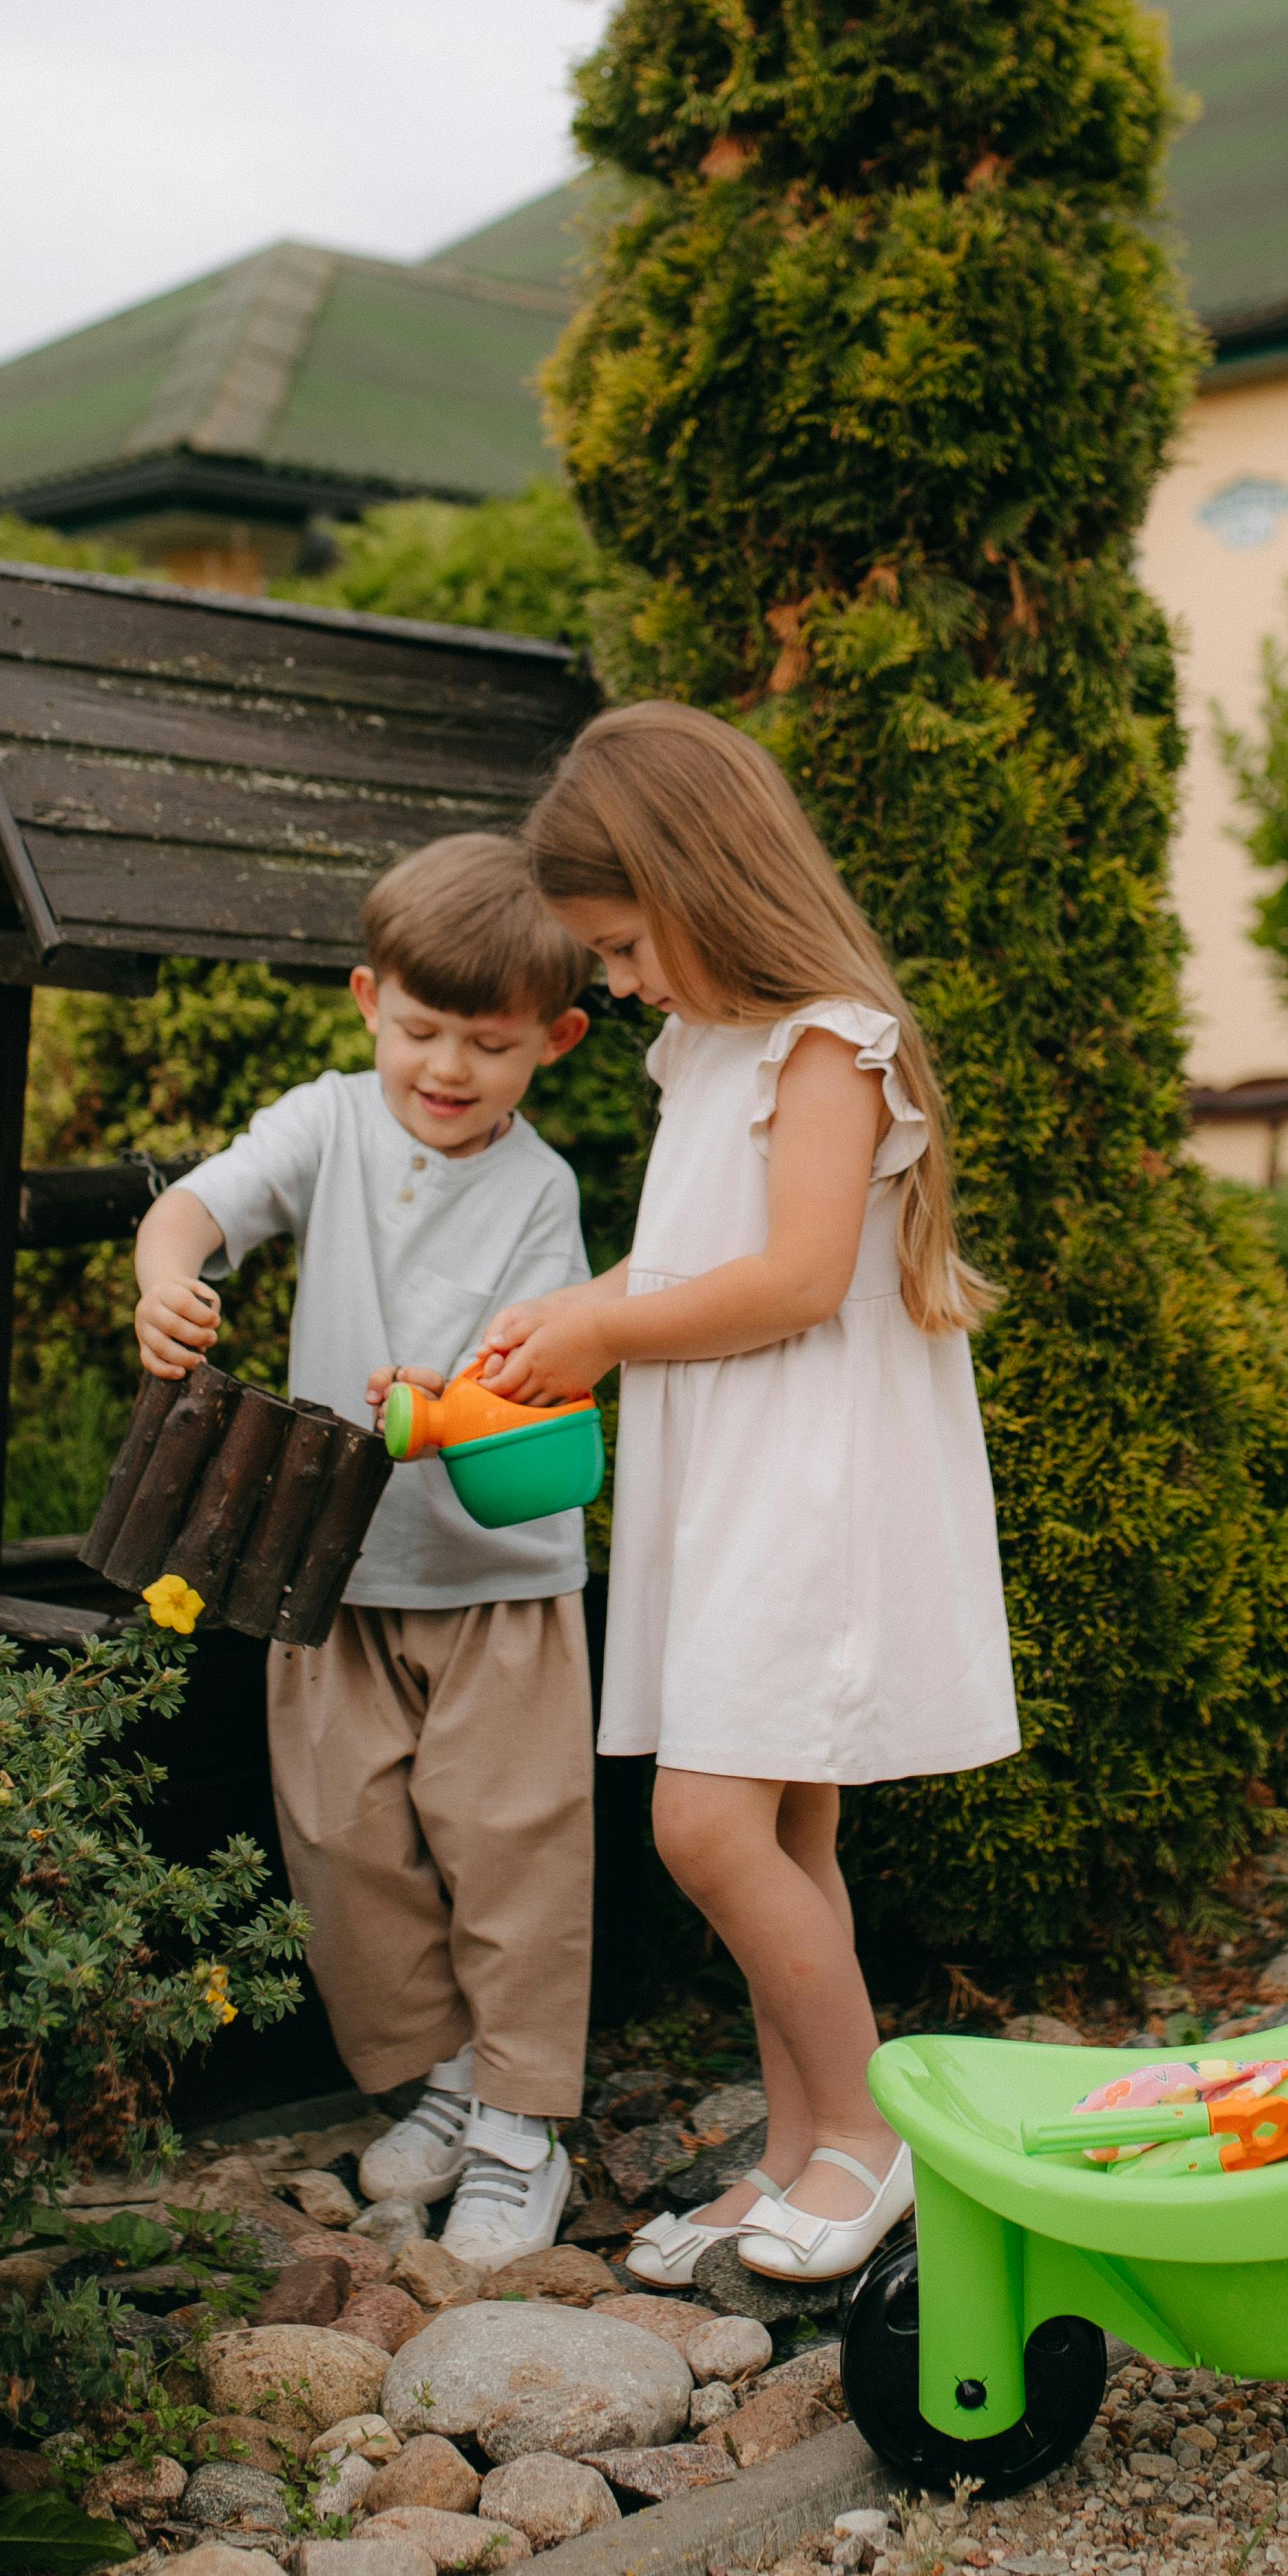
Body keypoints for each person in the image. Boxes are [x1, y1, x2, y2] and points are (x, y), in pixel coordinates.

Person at [473, 702, 1018, 2289]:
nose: (622, 981)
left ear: (701, 884)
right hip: (733, 1473)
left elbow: (787, 1280)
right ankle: (794, 2159)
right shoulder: (704, 1048)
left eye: (626, 944)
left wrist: (607, 1327)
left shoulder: (826, 1041)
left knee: (705, 1822)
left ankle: (872, 2135)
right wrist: (573, 1316)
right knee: (781, 1817)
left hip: (809, 1482)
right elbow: (700, 1254)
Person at [131, 833, 595, 2261]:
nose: (446, 1069)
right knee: (341, 1843)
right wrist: (165, 1274)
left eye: (488, 1043)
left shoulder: (540, 1194)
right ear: (365, 1001)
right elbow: (205, 1202)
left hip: (494, 1588)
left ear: (555, 1042)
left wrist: (437, 1404)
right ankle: (438, 2079)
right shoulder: (326, 1124)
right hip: (323, 1575)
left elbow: (527, 1380)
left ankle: (526, 2122)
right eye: (418, 1030)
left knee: (509, 1846)